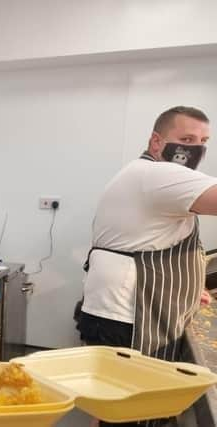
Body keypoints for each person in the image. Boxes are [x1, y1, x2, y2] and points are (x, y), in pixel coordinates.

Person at [78, 106, 217, 426]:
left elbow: (153, 242)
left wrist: (186, 289)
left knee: (113, 410)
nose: (195, 148)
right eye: (186, 138)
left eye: (203, 141)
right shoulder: (157, 174)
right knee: (129, 413)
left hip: (121, 313)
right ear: (157, 142)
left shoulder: (143, 175)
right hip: (132, 318)